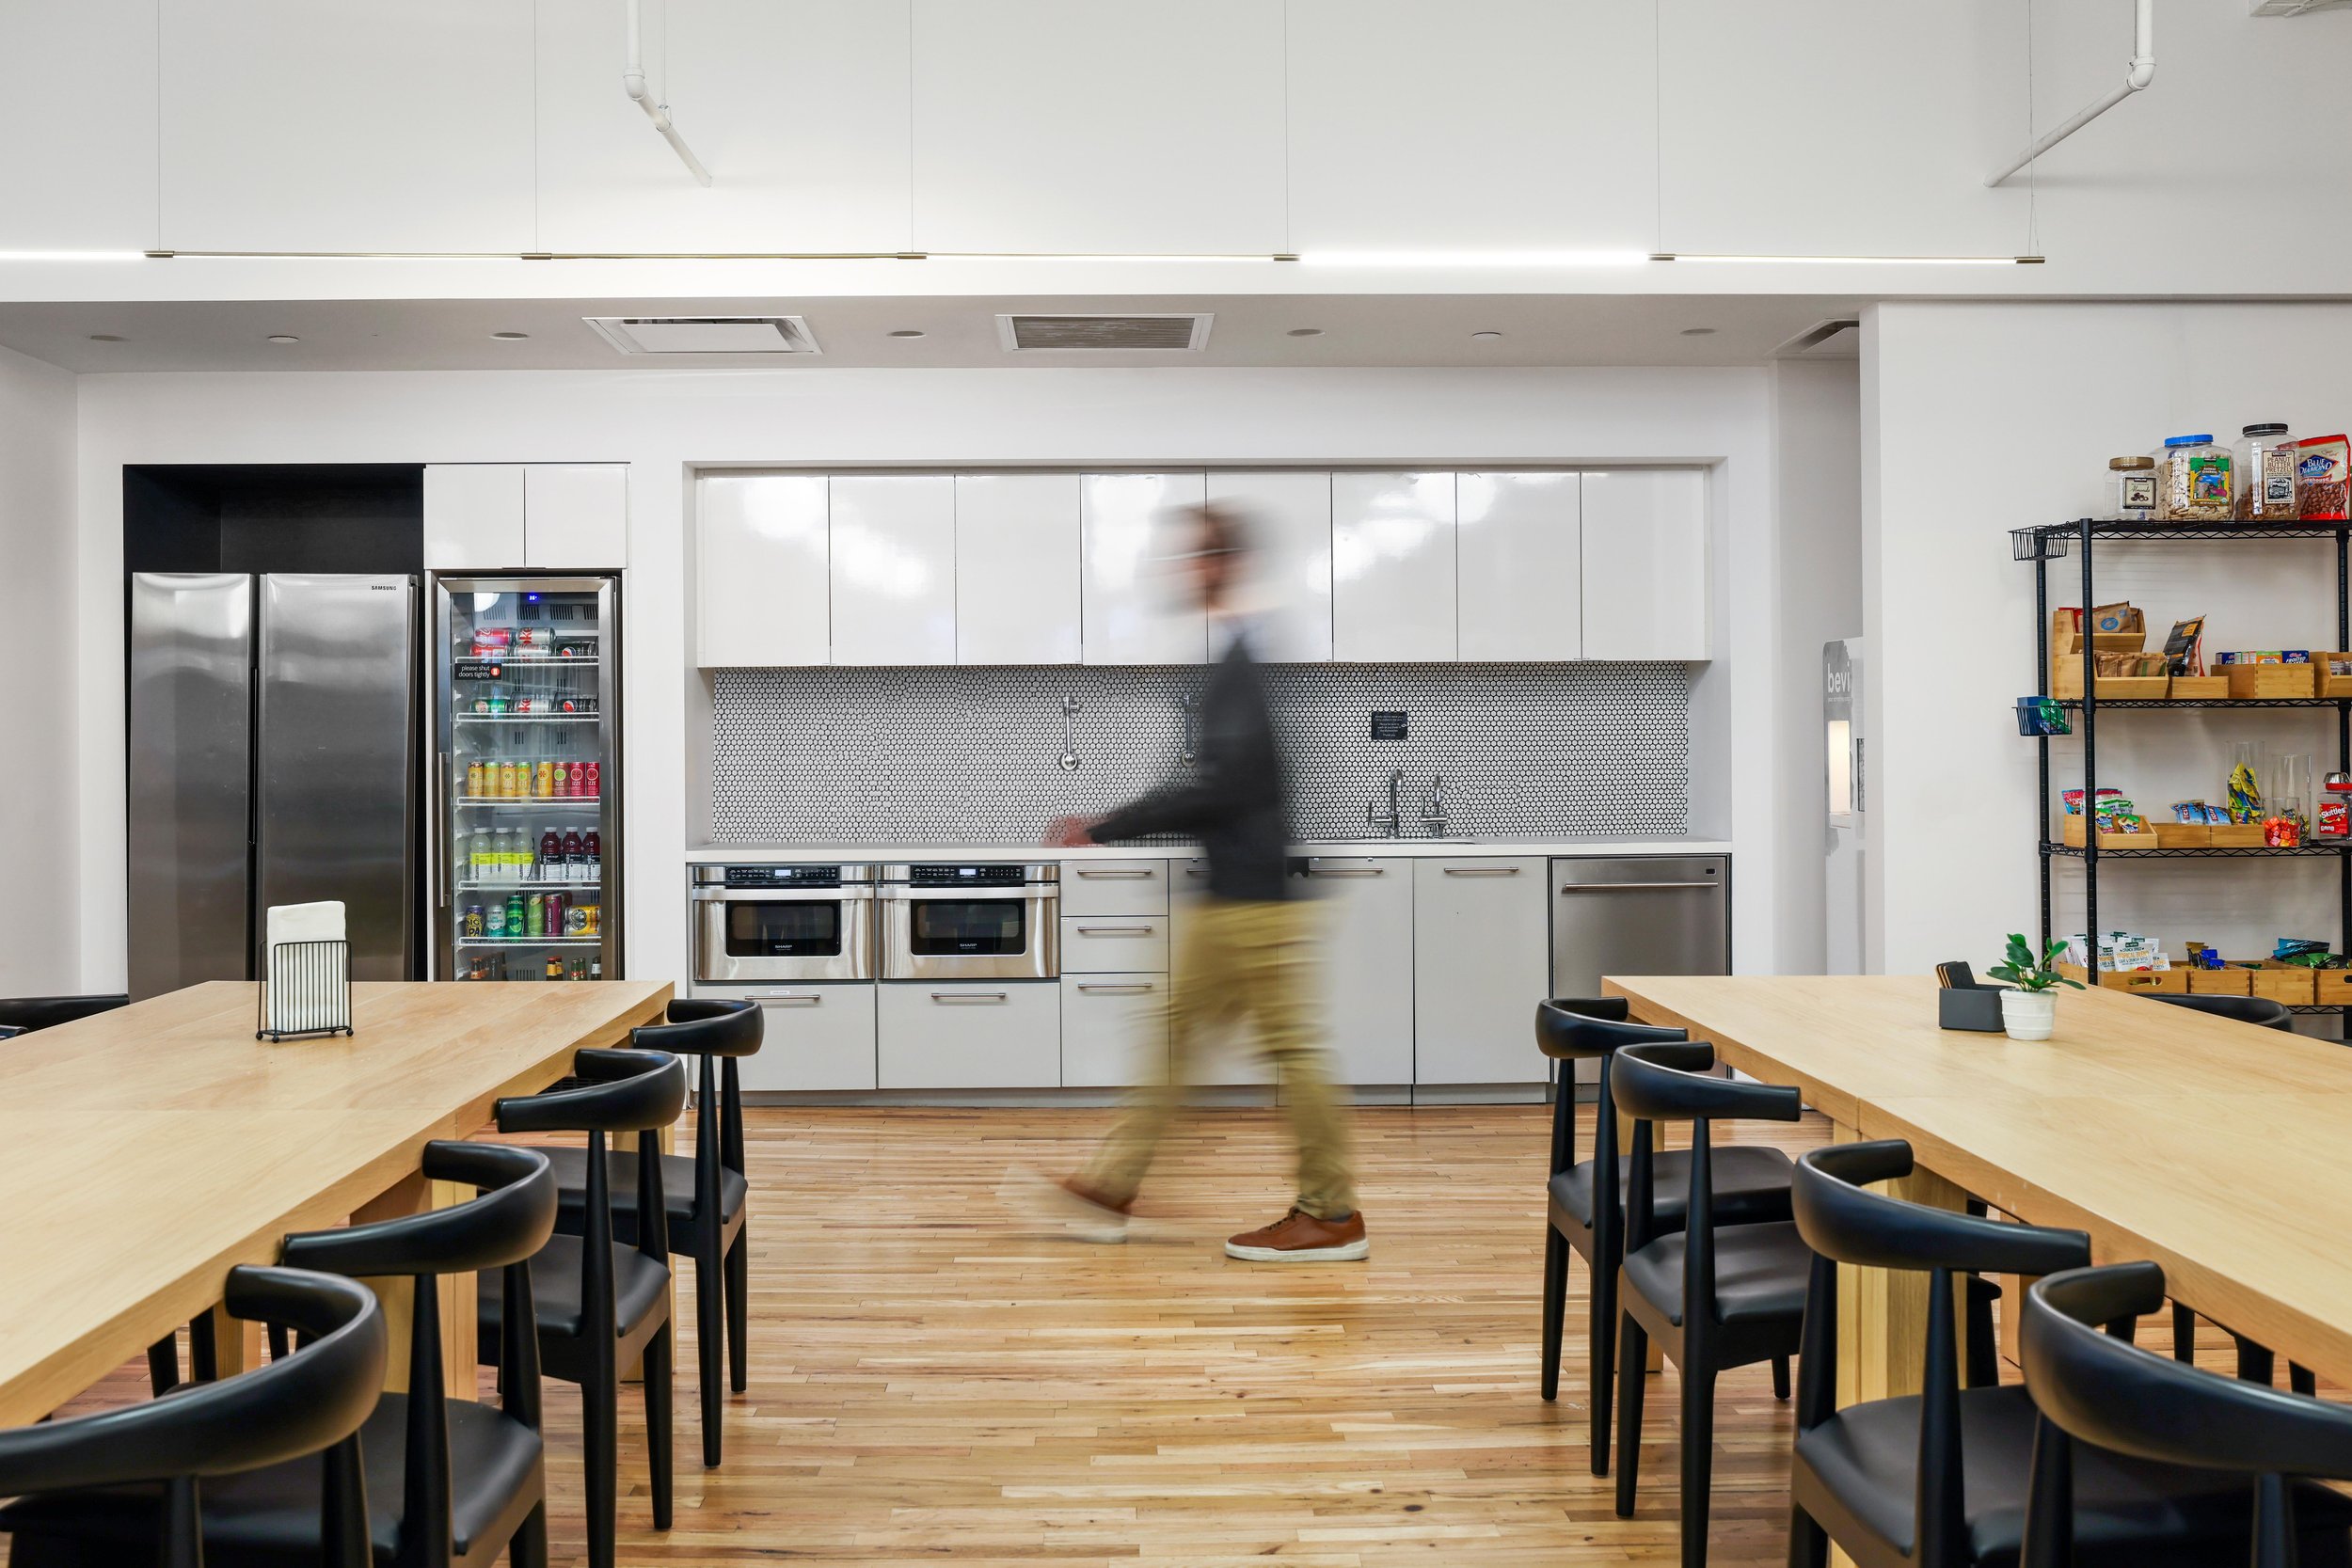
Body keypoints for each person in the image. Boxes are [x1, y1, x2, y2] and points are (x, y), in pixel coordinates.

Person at [1041, 501, 1364, 1262]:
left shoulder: (1238, 665)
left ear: (1219, 565)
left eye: (1190, 556)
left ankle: (1331, 1210)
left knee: (1290, 1046)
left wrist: (1107, 823)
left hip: (1251, 900)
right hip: (1233, 894)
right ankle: (1113, 1183)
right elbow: (1218, 782)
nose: (1179, 570)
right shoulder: (1231, 659)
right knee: (1177, 1037)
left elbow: (1217, 786)